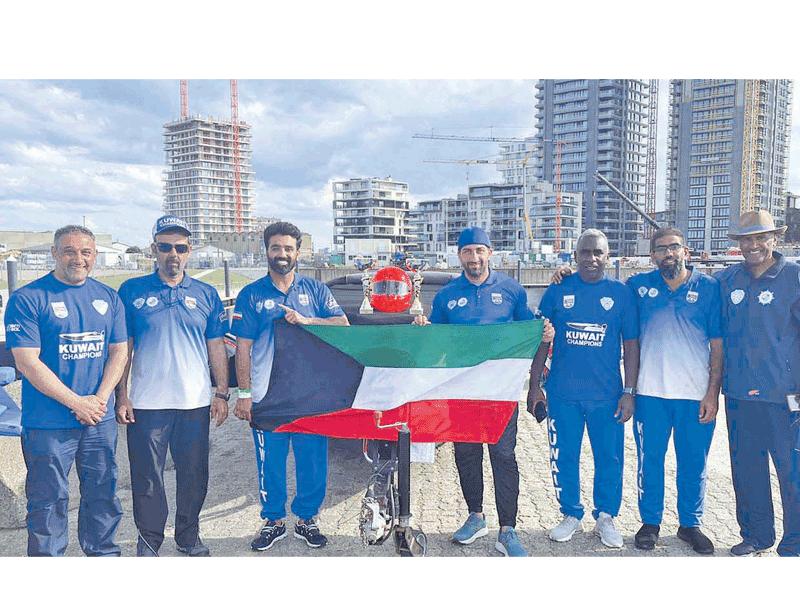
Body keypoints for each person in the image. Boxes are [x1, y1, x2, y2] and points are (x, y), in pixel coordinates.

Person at [413, 226, 553, 557]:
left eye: (479, 250)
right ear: (458, 256)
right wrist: (424, 331)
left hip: (499, 393)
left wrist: (543, 335)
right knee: (466, 454)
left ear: (490, 253)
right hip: (463, 392)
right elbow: (437, 343)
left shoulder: (511, 290)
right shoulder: (447, 295)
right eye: (467, 251)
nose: (473, 257)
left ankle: (508, 530)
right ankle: (476, 516)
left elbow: (529, 333)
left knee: (503, 456)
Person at [3, 225, 128, 556]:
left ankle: (103, 556)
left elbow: (119, 352)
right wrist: (77, 403)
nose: (78, 259)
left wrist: (100, 399)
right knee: (48, 501)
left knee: (102, 494)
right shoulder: (28, 299)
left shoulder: (108, 297)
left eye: (86, 252)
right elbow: (27, 362)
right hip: (48, 424)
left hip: (98, 420)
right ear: (54, 254)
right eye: (69, 251)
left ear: (95, 255)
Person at [115, 215, 230, 557]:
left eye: (180, 248)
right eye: (165, 247)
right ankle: (150, 538)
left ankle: (188, 536)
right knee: (147, 477)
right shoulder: (131, 291)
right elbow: (124, 348)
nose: (173, 254)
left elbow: (216, 347)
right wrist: (122, 394)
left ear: (189, 251)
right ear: (154, 249)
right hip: (147, 404)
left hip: (193, 402)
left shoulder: (206, 294)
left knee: (194, 475)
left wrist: (221, 393)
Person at [232, 221, 349, 551]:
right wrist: (244, 394)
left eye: (288, 248)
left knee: (312, 462)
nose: (281, 254)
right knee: (270, 463)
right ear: (266, 251)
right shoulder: (251, 294)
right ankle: (273, 520)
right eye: (275, 248)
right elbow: (242, 347)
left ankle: (307, 519)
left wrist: (307, 320)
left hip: (310, 395)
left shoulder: (315, 290)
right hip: (268, 396)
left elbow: (342, 325)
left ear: (298, 253)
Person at [530, 229, 639, 549]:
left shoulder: (621, 293)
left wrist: (629, 391)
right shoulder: (558, 289)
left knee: (610, 458)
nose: (591, 258)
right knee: (565, 457)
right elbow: (540, 339)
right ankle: (571, 514)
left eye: (598, 252)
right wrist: (535, 386)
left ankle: (606, 516)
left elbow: (632, 345)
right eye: (585, 252)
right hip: (563, 394)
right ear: (575, 256)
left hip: (607, 395)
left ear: (608, 256)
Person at [626, 227, 722, 554]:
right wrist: (566, 276)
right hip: (650, 394)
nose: (669, 253)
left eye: (675, 247)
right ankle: (650, 522)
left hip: (694, 395)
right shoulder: (638, 286)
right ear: (652, 255)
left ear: (686, 251)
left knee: (693, 462)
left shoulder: (708, 288)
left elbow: (718, 345)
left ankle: (690, 524)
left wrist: (712, 393)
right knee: (649, 461)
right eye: (662, 249)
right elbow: (600, 288)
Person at [715, 210, 800, 557]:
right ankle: (756, 534)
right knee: (747, 470)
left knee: (792, 471)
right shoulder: (727, 280)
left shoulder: (794, 276)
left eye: (760, 238)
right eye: (746, 240)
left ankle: (795, 542)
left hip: (787, 396)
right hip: (739, 393)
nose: (753, 245)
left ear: (774, 239)